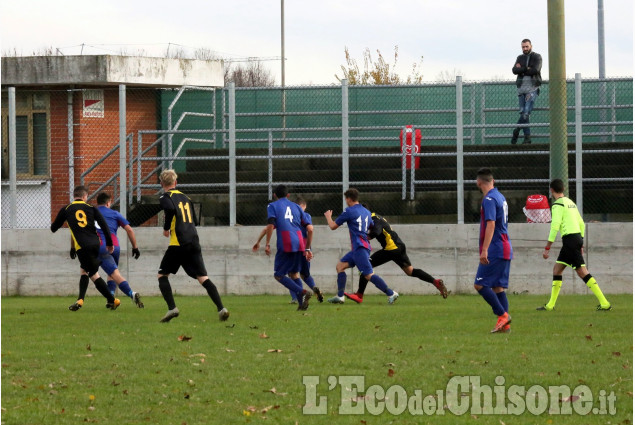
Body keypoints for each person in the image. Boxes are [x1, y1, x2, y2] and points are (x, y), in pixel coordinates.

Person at [156, 169, 229, 322]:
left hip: (178, 243)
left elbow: (169, 209)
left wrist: (166, 228)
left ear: (162, 183)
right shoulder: (186, 197)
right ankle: (221, 308)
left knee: (162, 275)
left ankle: (172, 308)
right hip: (193, 241)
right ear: (176, 182)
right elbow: (194, 220)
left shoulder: (165, 196)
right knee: (203, 277)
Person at [344, 207, 447, 303]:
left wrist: (364, 237)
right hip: (399, 246)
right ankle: (435, 282)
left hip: (391, 248)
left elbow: (376, 231)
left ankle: (359, 295)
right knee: (410, 271)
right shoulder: (376, 216)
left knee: (366, 264)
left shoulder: (374, 219)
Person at [539, 179, 611, 311]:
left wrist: (547, 247)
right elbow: (581, 223)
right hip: (576, 238)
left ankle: (605, 303)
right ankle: (550, 305)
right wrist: (581, 242)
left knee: (582, 272)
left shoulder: (557, 205)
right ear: (563, 189)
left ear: (551, 190)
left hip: (570, 241)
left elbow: (554, 227)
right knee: (557, 269)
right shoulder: (571, 203)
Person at [51, 185, 121, 311]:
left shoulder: (66, 209)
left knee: (93, 274)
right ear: (85, 197)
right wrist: (109, 243)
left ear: (74, 196)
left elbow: (54, 228)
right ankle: (80, 300)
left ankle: (113, 300)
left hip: (83, 247)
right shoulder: (91, 208)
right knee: (84, 270)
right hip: (96, 244)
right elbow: (104, 225)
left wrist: (64, 221)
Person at [324, 188, 399, 305]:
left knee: (368, 274)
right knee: (340, 266)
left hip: (360, 248)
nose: (346, 201)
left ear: (348, 199)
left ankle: (391, 293)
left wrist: (328, 217)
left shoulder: (349, 211)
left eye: (346, 199)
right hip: (359, 248)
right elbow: (371, 226)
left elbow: (333, 226)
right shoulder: (367, 212)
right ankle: (340, 297)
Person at [253, 196, 323, 303]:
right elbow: (310, 229)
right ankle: (313, 288)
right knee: (305, 274)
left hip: (292, 246)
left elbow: (268, 227)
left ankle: (297, 297)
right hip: (305, 246)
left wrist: (259, 241)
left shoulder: (287, 217)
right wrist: (309, 248)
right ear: (303, 206)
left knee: (291, 274)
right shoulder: (306, 216)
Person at [258, 185, 313, 310]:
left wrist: (267, 243)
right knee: (294, 273)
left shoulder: (272, 206)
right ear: (288, 195)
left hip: (286, 242)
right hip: (300, 242)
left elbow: (270, 225)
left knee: (279, 275)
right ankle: (302, 305)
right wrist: (308, 248)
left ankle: (302, 292)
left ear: (274, 195)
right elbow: (310, 228)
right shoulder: (296, 207)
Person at [473, 168, 512, 333]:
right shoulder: (500, 196)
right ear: (493, 181)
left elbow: (491, 224)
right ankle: (505, 325)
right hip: (505, 246)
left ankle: (502, 315)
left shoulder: (488, 199)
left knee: (479, 284)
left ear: (478, 182)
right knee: (497, 287)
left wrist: (485, 250)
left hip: (495, 248)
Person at [94, 192, 144, 308]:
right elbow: (130, 230)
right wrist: (135, 247)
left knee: (113, 273)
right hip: (115, 247)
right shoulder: (115, 214)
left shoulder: (92, 213)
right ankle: (111, 298)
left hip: (101, 247)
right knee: (111, 272)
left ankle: (132, 293)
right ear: (108, 203)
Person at [511, 39, 542, 145]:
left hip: (532, 90)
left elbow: (535, 70)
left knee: (526, 113)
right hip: (521, 90)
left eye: (526, 46)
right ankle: (527, 138)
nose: (525, 49)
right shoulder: (520, 57)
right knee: (524, 113)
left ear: (531, 46)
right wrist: (526, 68)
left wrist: (522, 69)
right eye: (523, 47)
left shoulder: (537, 57)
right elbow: (514, 70)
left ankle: (517, 130)